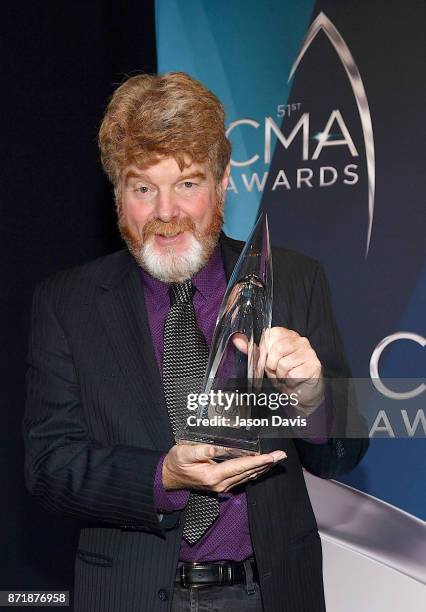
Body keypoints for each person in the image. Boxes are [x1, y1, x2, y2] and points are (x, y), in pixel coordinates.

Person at [23, 72, 368, 612]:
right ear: (118, 193)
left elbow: (345, 454)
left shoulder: (293, 281)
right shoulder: (66, 303)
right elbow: (49, 466)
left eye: (187, 182)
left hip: (275, 592)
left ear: (224, 179)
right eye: (143, 187)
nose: (166, 212)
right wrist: (161, 476)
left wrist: (313, 399)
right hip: (130, 595)